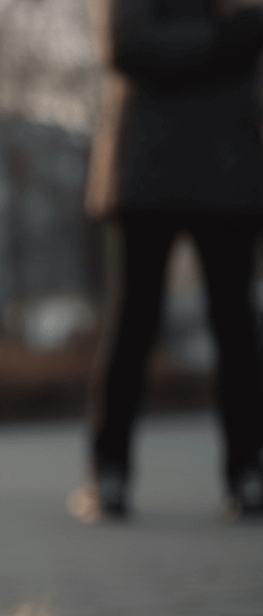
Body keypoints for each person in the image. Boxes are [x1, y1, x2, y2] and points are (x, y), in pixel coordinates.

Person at [73, 0, 263, 523]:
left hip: (204, 170)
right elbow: (127, 45)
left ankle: (246, 472)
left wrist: (187, 38)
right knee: (135, 324)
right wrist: (220, 35)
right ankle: (111, 474)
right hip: (155, 174)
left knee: (234, 325)